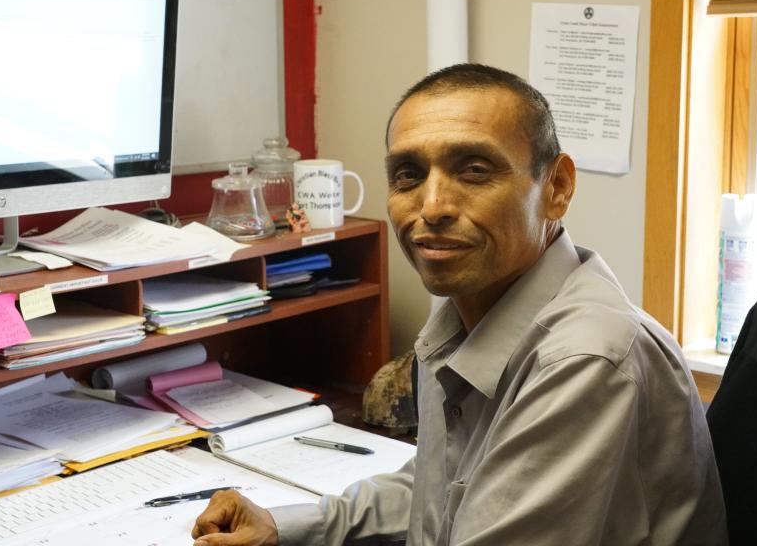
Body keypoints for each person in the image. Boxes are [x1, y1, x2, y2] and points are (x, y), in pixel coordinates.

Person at [192, 64, 728, 545]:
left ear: (557, 187)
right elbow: (441, 489)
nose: (432, 206)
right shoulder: (465, 315)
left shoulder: (585, 362)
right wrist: (284, 527)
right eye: (408, 175)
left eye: (474, 170)